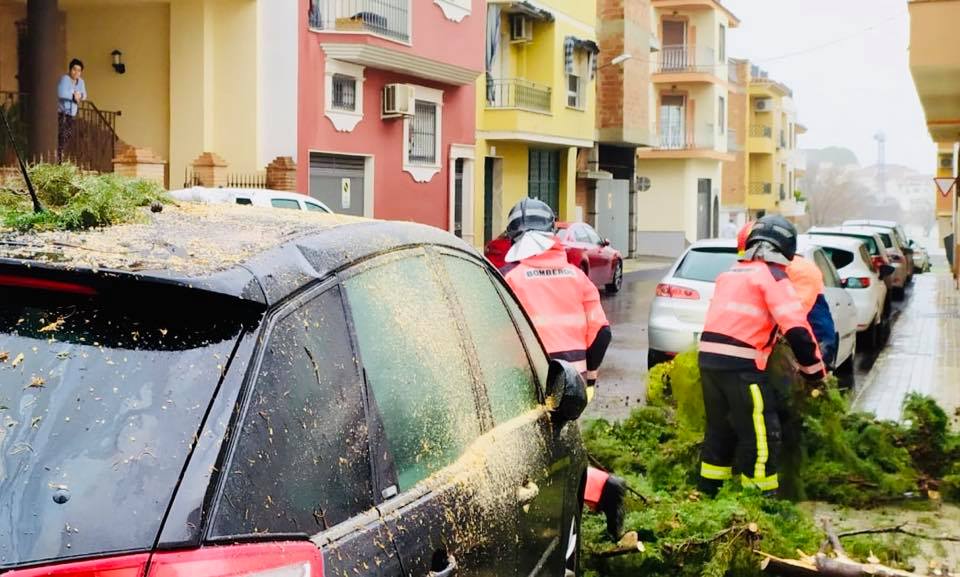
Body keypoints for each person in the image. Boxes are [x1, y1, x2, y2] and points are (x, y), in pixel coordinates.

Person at [498, 198, 623, 539]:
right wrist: (589, 379)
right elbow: (602, 334)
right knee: (557, 449)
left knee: (536, 456)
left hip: (532, 384)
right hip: (573, 386)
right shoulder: (577, 277)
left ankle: (566, 517)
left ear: (514, 237)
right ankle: (602, 491)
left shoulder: (511, 279)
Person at [697, 214, 826, 496]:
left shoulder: (731, 274)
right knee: (762, 436)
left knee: (719, 432)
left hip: (708, 362)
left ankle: (709, 494)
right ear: (786, 247)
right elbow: (797, 330)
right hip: (742, 367)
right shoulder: (773, 277)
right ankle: (758, 501)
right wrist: (815, 373)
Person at [57, 59, 86, 163]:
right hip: (61, 112)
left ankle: (60, 156)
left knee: (67, 134)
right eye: (74, 69)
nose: (76, 72)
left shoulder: (81, 82)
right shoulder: (65, 79)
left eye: (79, 70)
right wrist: (73, 96)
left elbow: (84, 95)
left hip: (71, 113)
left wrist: (79, 95)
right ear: (70, 70)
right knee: (61, 134)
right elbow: (61, 93)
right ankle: (58, 157)